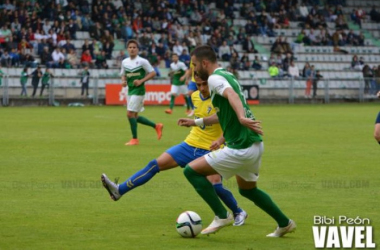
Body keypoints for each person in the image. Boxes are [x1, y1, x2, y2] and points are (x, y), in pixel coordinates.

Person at [177, 45, 295, 236]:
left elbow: (232, 96)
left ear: (205, 63)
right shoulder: (226, 74)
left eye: (195, 64)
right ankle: (284, 223)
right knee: (248, 190)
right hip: (254, 143)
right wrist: (196, 121)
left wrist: (241, 117)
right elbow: (223, 113)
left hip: (240, 147)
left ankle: (222, 215)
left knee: (191, 171)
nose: (194, 69)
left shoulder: (214, 78)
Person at [101, 74, 248, 226]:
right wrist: (193, 123)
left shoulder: (219, 97)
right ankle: (119, 190)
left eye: (205, 85)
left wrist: (219, 140)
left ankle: (238, 211)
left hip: (212, 148)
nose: (202, 88)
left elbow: (229, 120)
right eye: (198, 85)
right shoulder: (195, 97)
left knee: (215, 185)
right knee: (154, 165)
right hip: (190, 145)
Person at [120, 39, 163, 146]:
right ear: (127, 49)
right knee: (134, 116)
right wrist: (123, 81)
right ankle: (156, 126)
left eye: (134, 47)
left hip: (139, 91)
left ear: (138, 49)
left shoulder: (142, 61)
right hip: (130, 90)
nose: (132, 49)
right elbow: (123, 74)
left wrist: (141, 81)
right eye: (130, 47)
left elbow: (153, 73)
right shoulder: (124, 62)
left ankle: (135, 139)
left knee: (129, 114)